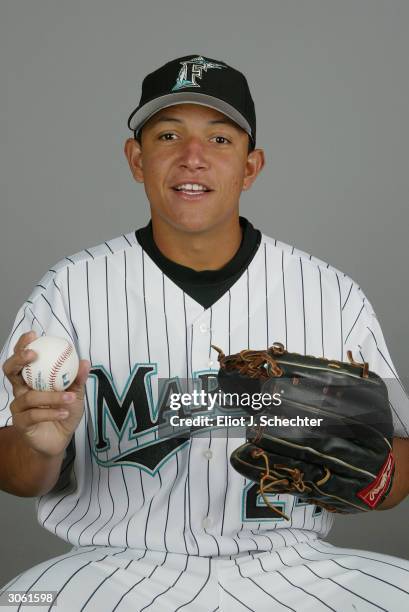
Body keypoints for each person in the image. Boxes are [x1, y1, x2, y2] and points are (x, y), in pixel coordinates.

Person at [1, 54, 409, 611]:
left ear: (250, 166)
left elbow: (397, 468)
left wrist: (372, 474)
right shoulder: (70, 288)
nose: (192, 158)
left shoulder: (331, 294)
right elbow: (16, 475)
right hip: (112, 564)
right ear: (136, 158)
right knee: (21, 603)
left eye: (220, 140)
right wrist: (37, 448)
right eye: (169, 135)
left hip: (292, 565)